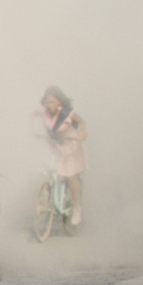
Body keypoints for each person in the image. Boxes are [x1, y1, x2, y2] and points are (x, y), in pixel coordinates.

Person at [31, 86, 87, 225]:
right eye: (48, 102)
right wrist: (31, 131)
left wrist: (82, 135)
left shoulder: (66, 114)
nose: (50, 105)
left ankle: (76, 208)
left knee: (70, 175)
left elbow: (82, 122)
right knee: (46, 167)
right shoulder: (43, 111)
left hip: (70, 146)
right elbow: (31, 116)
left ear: (59, 102)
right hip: (55, 144)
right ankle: (47, 194)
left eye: (53, 102)